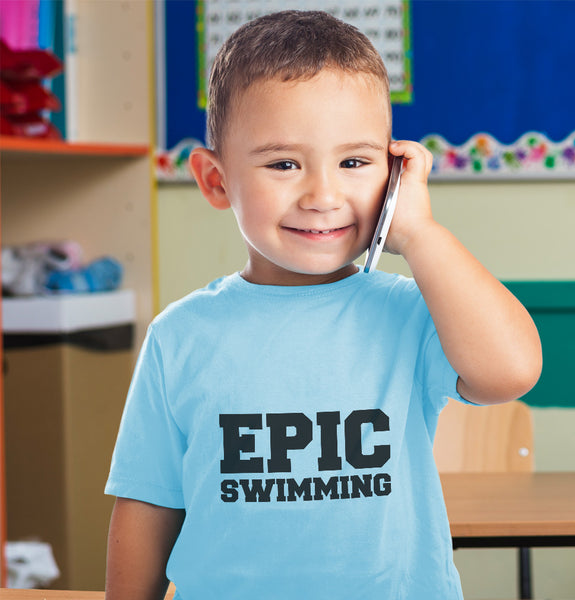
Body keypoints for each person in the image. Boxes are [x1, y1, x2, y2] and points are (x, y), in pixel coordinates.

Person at [105, 10, 542, 600]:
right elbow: (149, 503)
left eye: (355, 163)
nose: (323, 196)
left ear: (392, 174)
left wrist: (418, 234)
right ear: (216, 181)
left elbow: (511, 372)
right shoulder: (180, 335)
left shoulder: (413, 312)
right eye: (283, 164)